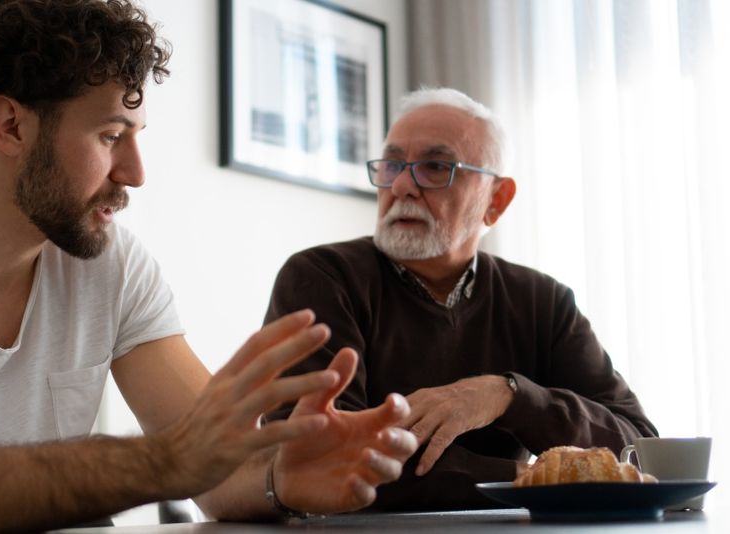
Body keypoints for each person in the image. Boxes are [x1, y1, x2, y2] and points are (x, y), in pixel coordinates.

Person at [0, 1, 419, 531]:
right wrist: (162, 463)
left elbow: (214, 470)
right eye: (111, 136)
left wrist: (281, 475)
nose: (136, 174)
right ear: (9, 125)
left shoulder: (111, 262)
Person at [263, 87, 658, 511]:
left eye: (435, 167)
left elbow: (640, 450)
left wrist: (508, 397)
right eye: (393, 164)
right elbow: (321, 458)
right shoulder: (321, 278)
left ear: (497, 200)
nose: (401, 186)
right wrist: (523, 479)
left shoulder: (544, 302)